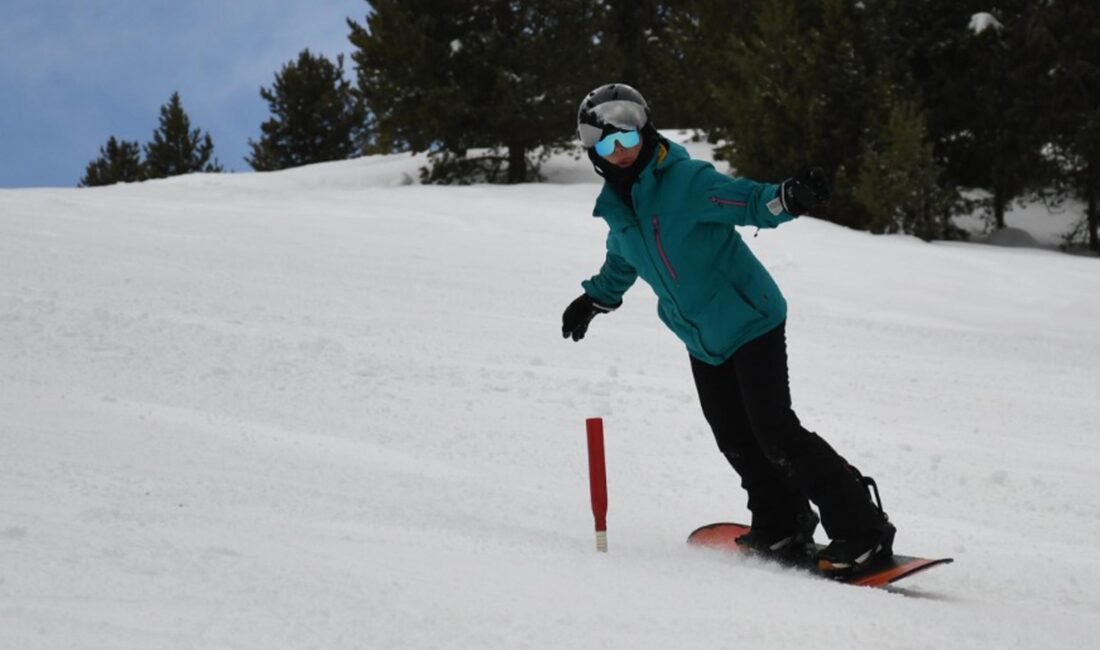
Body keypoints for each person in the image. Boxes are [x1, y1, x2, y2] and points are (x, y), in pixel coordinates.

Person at [561, 83, 895, 575]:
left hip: (750, 319)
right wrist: (596, 298)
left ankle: (864, 530)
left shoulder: (686, 182)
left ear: (645, 129)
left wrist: (789, 196)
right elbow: (623, 259)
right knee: (734, 436)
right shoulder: (619, 207)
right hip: (702, 338)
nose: (623, 151)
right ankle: (781, 522)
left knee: (776, 432)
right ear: (595, 154)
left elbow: (752, 202)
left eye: (629, 136)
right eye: (608, 145)